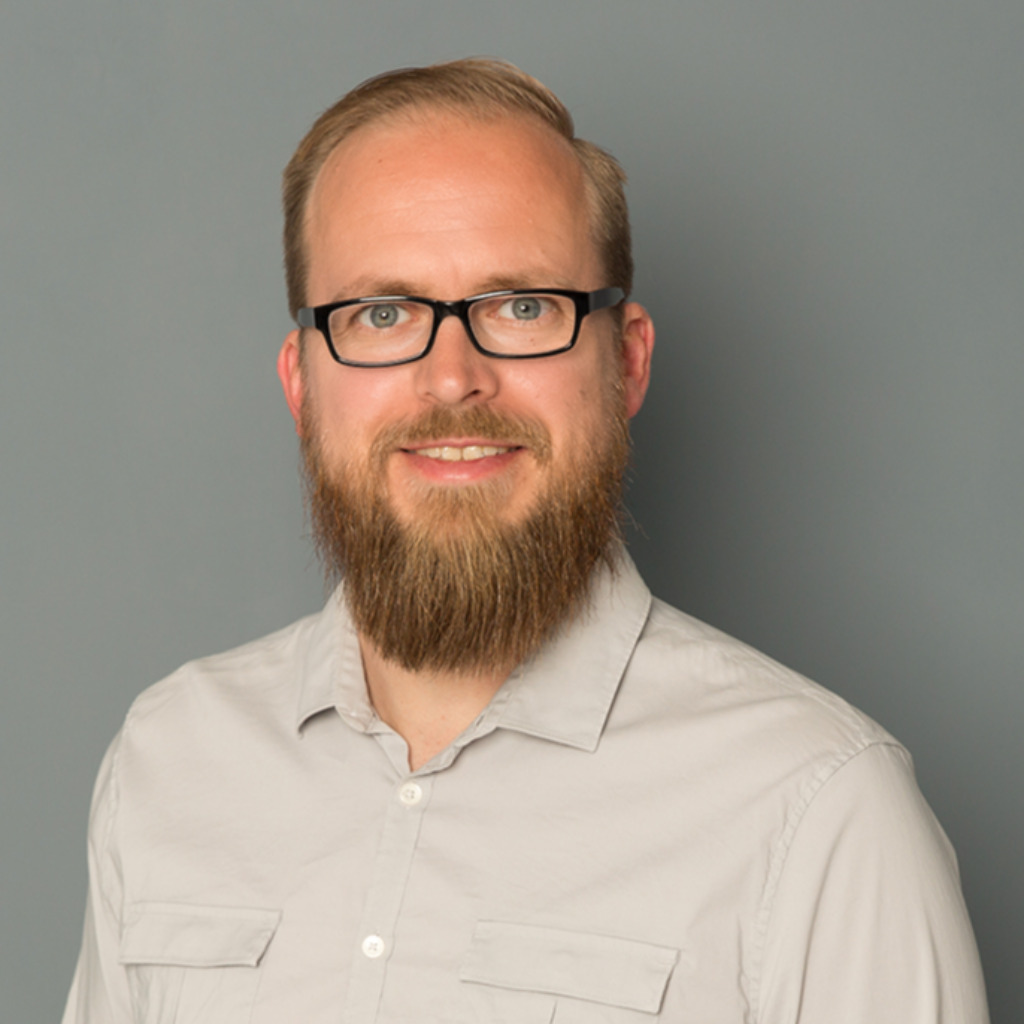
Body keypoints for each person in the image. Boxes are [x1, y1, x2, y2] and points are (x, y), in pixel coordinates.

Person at [62, 58, 989, 1023]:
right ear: (302, 384)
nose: (451, 378)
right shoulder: (166, 762)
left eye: (521, 308)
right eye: (382, 314)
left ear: (626, 363)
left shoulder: (821, 812)